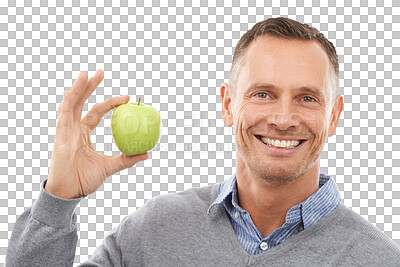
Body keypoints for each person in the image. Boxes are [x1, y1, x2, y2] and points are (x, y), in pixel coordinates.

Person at [6, 17, 400, 266]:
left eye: (307, 98)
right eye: (262, 94)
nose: (283, 119)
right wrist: (58, 199)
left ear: (333, 116)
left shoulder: (378, 259)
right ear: (228, 105)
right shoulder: (154, 231)